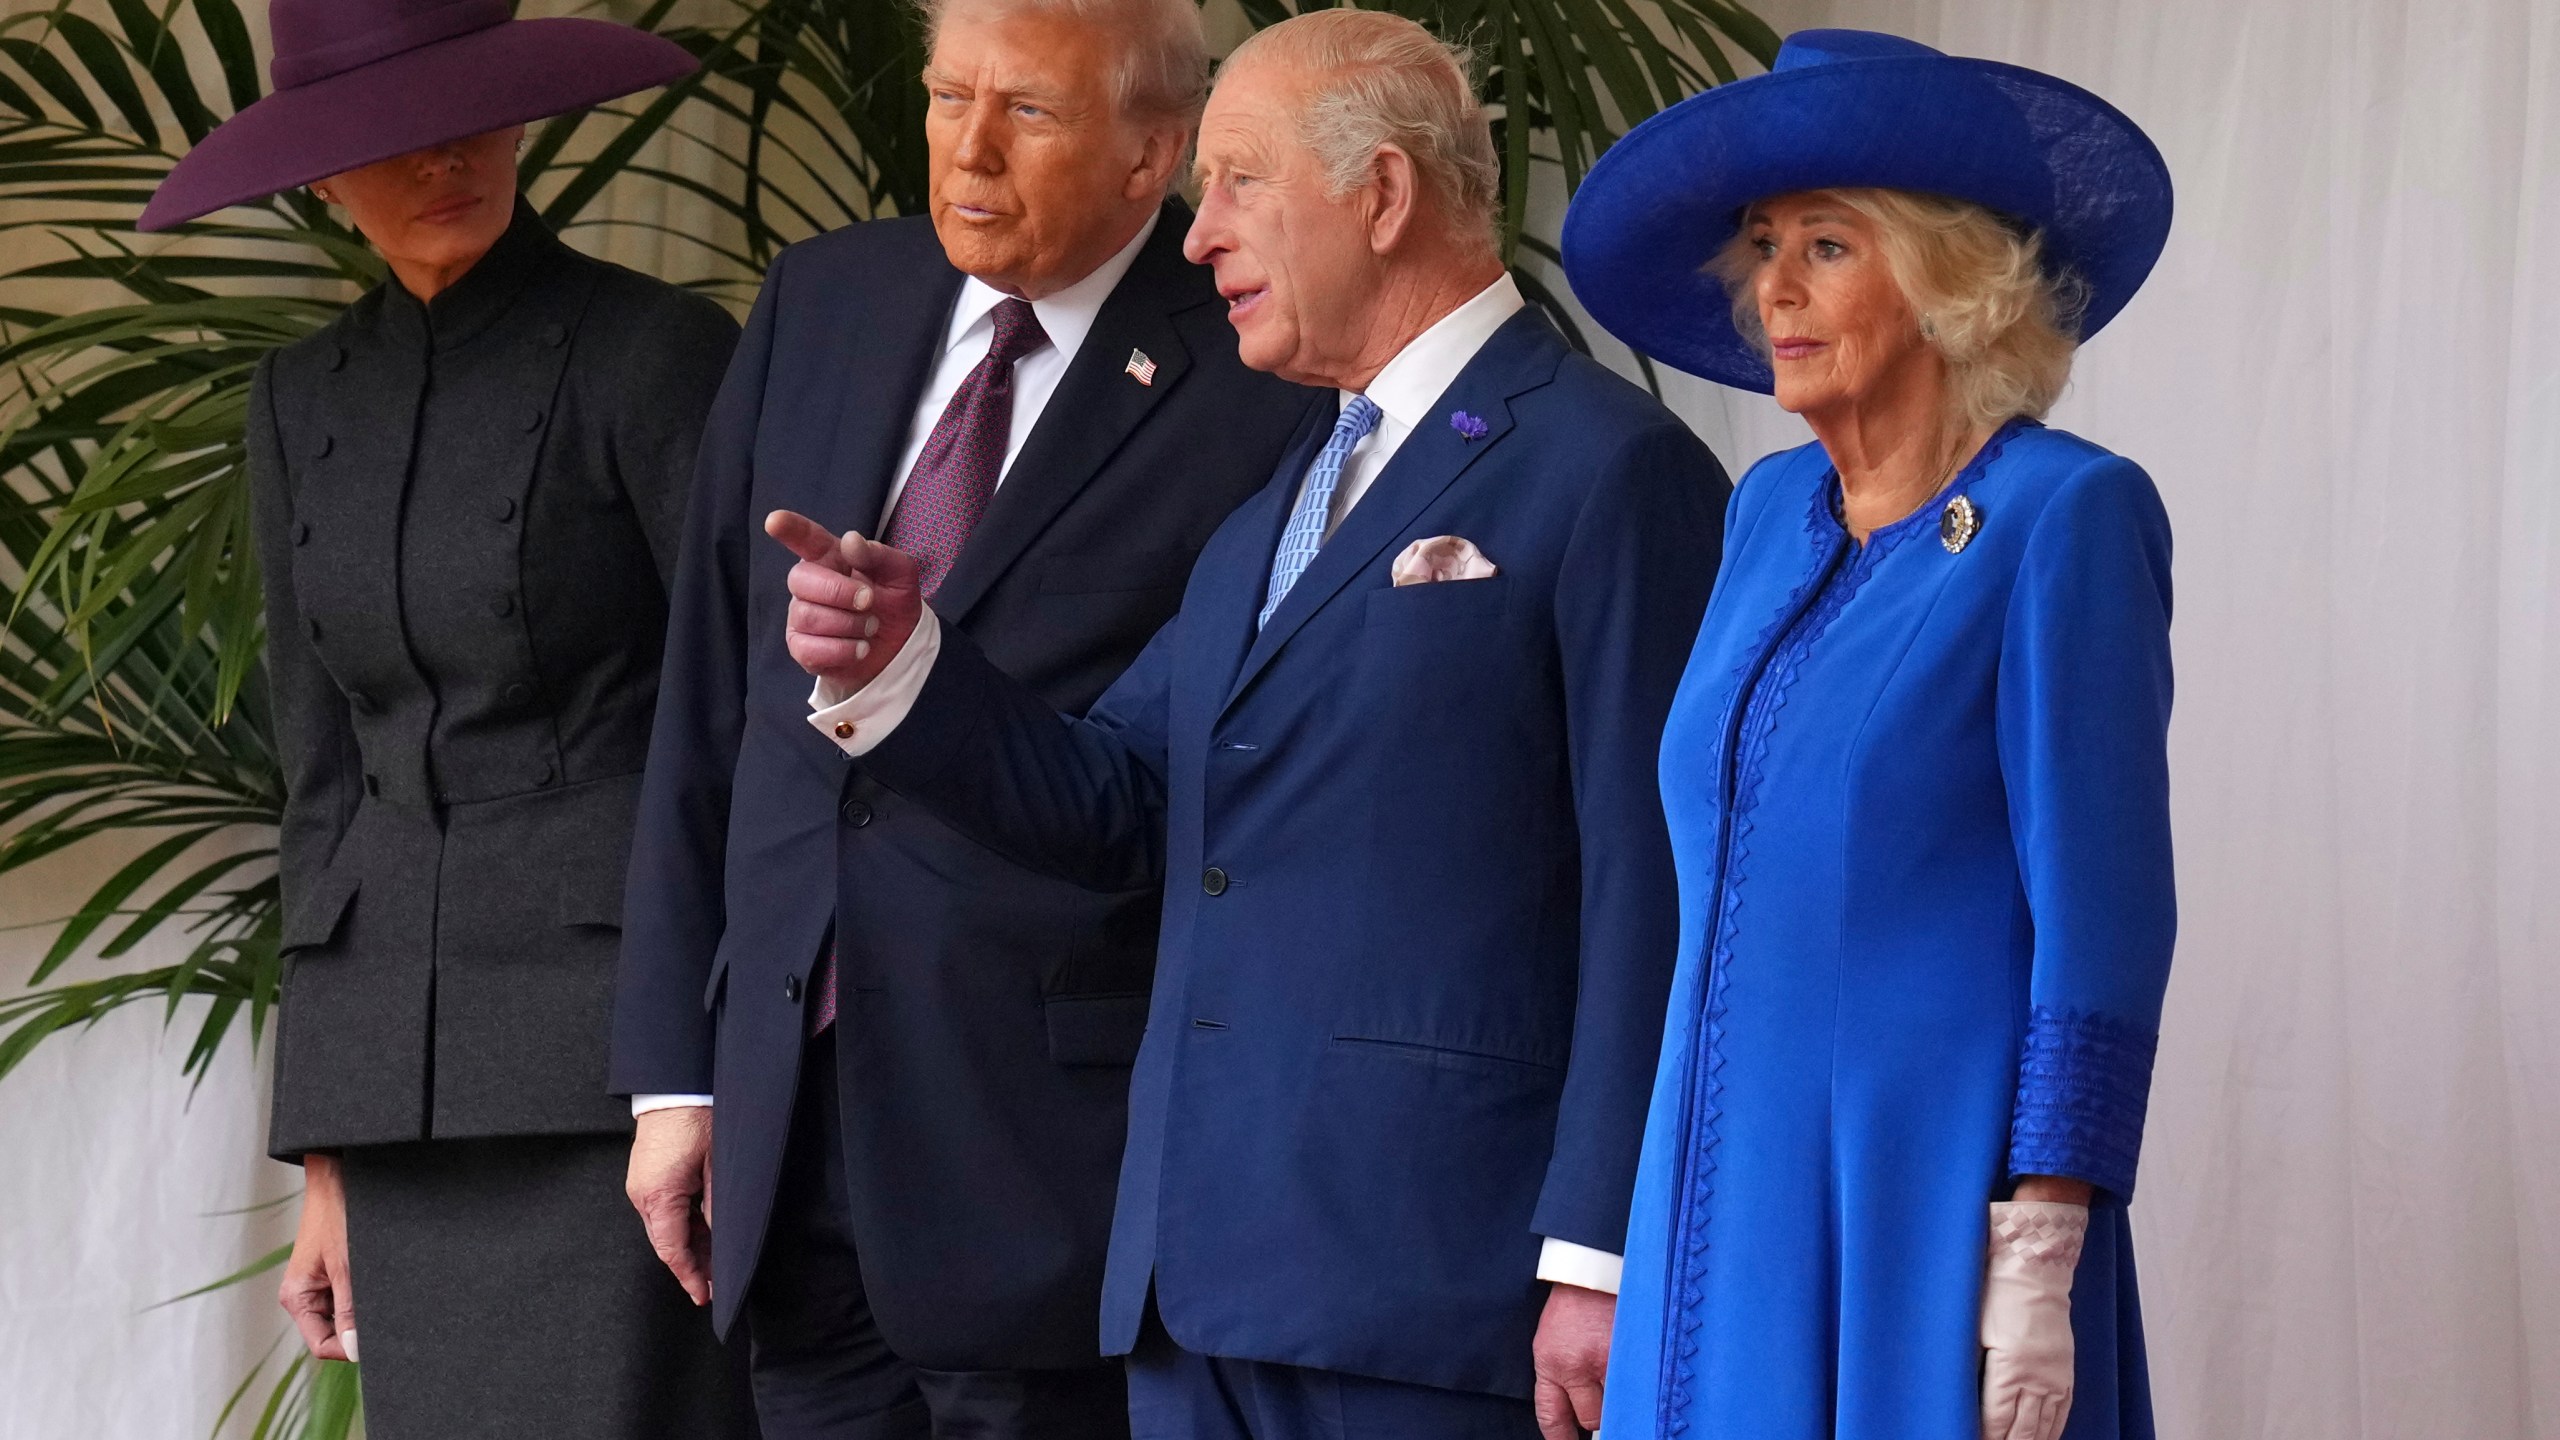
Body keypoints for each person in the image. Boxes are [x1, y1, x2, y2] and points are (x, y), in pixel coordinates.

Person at [762, 12, 1729, 1438]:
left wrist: (1598, 1252)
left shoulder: (1611, 469)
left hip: (1438, 1297)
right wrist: (909, 667)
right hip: (1195, 1290)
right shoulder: (1282, 498)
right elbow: (1120, 803)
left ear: (1383, 198)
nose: (1198, 234)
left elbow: (1661, 891)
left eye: (1238, 184)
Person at [605, 0, 1320, 1430]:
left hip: (1050, 1169)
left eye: (1030, 112)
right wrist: (675, 1083)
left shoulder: (1261, 373)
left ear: (1150, 153)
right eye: (947, 99)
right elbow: (706, 711)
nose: (969, 151)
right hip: (789, 1143)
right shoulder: (823, 299)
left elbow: (1220, 783)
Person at [1556, 27, 2179, 1440]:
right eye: (1764, 243)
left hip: (1926, 1194)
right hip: (1716, 1176)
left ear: (1949, 274)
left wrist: (2043, 1242)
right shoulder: (1764, 512)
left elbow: (2107, 919)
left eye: (1829, 245)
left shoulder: (2061, 518)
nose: (1772, 285)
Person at [142, 1, 751, 1435]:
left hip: (621, 1081)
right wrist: (331, 1162)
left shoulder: (652, 352)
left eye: (472, 115)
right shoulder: (296, 399)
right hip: (408, 1115)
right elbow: (321, 784)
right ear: (323, 171)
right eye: (395, 138)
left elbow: (741, 723)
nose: (445, 161)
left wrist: (700, 1078)